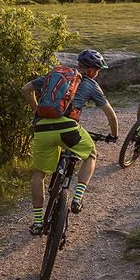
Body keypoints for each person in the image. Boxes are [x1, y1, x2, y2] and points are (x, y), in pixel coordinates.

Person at [21, 49, 118, 235]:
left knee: (39, 174)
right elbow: (111, 115)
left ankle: (38, 222)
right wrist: (114, 135)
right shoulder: (91, 84)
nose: (97, 74)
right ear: (91, 70)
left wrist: (37, 110)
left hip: (42, 128)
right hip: (68, 129)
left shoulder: (55, 76)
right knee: (91, 155)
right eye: (97, 70)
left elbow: (25, 89)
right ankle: (78, 196)